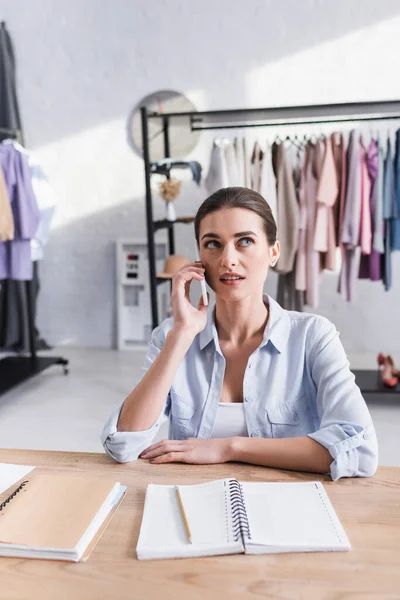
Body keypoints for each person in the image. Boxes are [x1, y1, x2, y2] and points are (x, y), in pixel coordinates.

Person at [102, 187, 378, 480]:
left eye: (244, 241)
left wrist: (229, 448)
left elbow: (359, 451)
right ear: (199, 257)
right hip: (193, 502)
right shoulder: (172, 336)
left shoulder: (313, 336)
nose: (227, 259)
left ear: (273, 252)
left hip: (286, 506)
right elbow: (123, 445)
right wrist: (182, 333)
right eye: (213, 244)